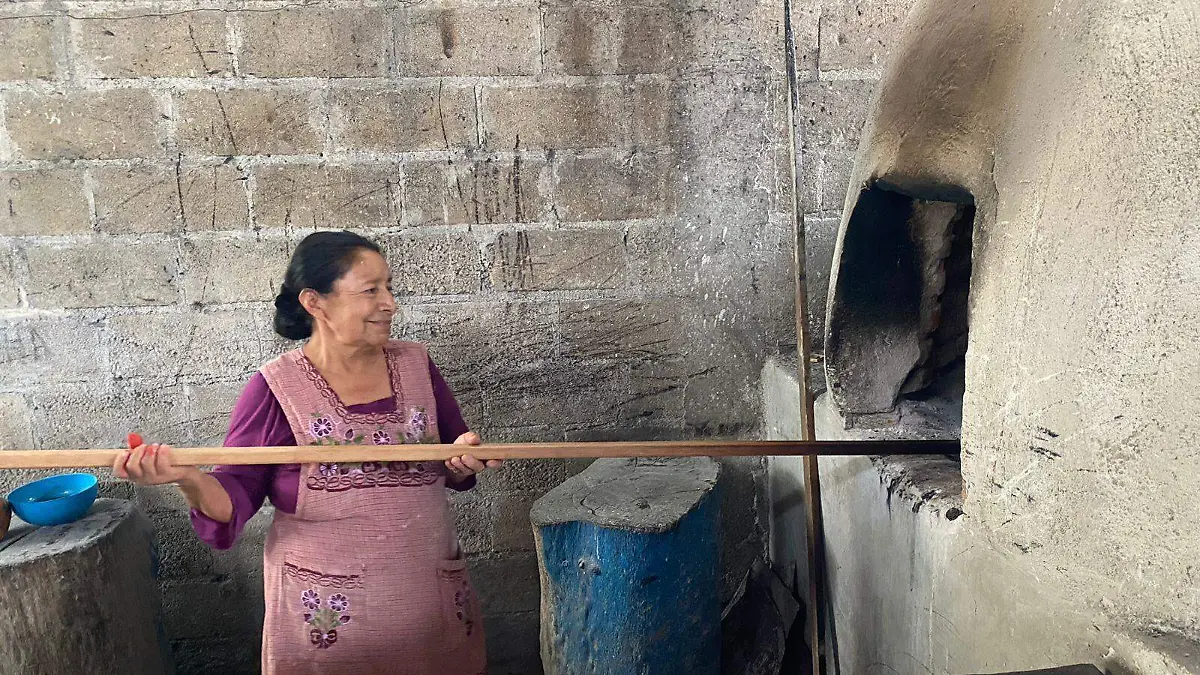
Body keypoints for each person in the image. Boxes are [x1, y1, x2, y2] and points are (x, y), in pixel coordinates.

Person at [115, 230, 498, 675]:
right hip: (330, 632)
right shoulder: (276, 389)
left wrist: (463, 458)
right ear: (315, 302)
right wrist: (189, 478)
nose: (389, 303)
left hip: (431, 615)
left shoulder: (417, 365)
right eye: (371, 290)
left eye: (389, 287)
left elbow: (455, 458)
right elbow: (234, 496)